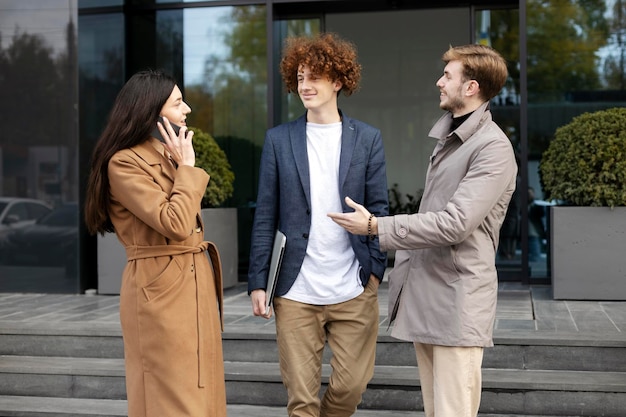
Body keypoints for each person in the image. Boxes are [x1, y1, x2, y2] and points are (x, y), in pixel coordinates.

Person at [328, 44, 517, 417]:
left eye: (448, 76)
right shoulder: (452, 138)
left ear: (471, 87)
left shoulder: (493, 148)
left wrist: (375, 226)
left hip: (457, 299)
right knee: (437, 411)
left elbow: (454, 223)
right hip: (432, 293)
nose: (439, 82)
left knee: (452, 411)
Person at [247, 32, 388, 417]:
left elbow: (379, 210)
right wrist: (259, 281)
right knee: (302, 401)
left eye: (314, 77)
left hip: (353, 286)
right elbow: (265, 215)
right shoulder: (279, 140)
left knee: (350, 386)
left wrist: (374, 272)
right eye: (299, 78)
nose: (304, 86)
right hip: (296, 289)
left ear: (339, 81)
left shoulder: (368, 140)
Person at [83, 69, 226, 417]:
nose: (188, 109)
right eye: (178, 103)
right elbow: (175, 223)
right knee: (171, 397)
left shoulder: (166, 153)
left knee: (202, 387)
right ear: (152, 110)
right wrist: (188, 167)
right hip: (160, 289)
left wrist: (181, 166)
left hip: (193, 280)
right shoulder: (124, 163)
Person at [527, 187, 546, 261]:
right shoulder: (523, 205)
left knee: (536, 253)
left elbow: (541, 214)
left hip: (535, 232)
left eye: (531, 193)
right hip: (529, 232)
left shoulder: (536, 206)